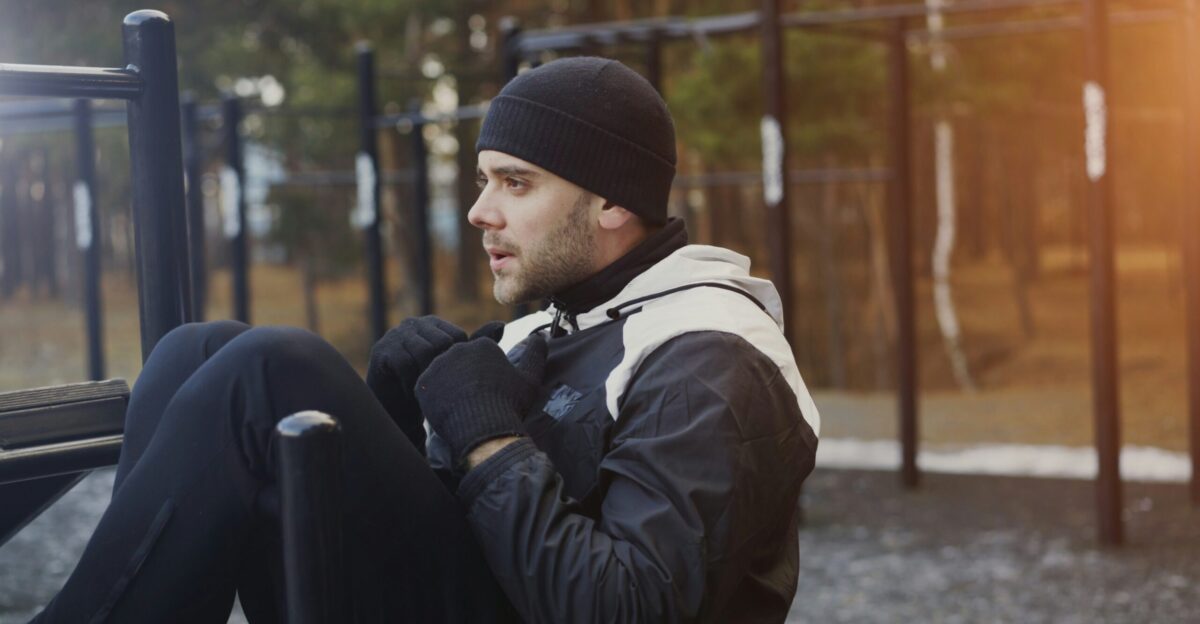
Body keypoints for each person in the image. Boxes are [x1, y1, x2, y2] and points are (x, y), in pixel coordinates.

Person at [31, 56, 819, 623]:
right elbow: (461, 530)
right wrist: (389, 425)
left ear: (611, 202)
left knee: (273, 367)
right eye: (483, 181)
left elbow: (627, 605)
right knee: (196, 350)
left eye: (516, 183)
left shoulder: (709, 358)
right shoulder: (559, 319)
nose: (482, 211)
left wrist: (489, 439)